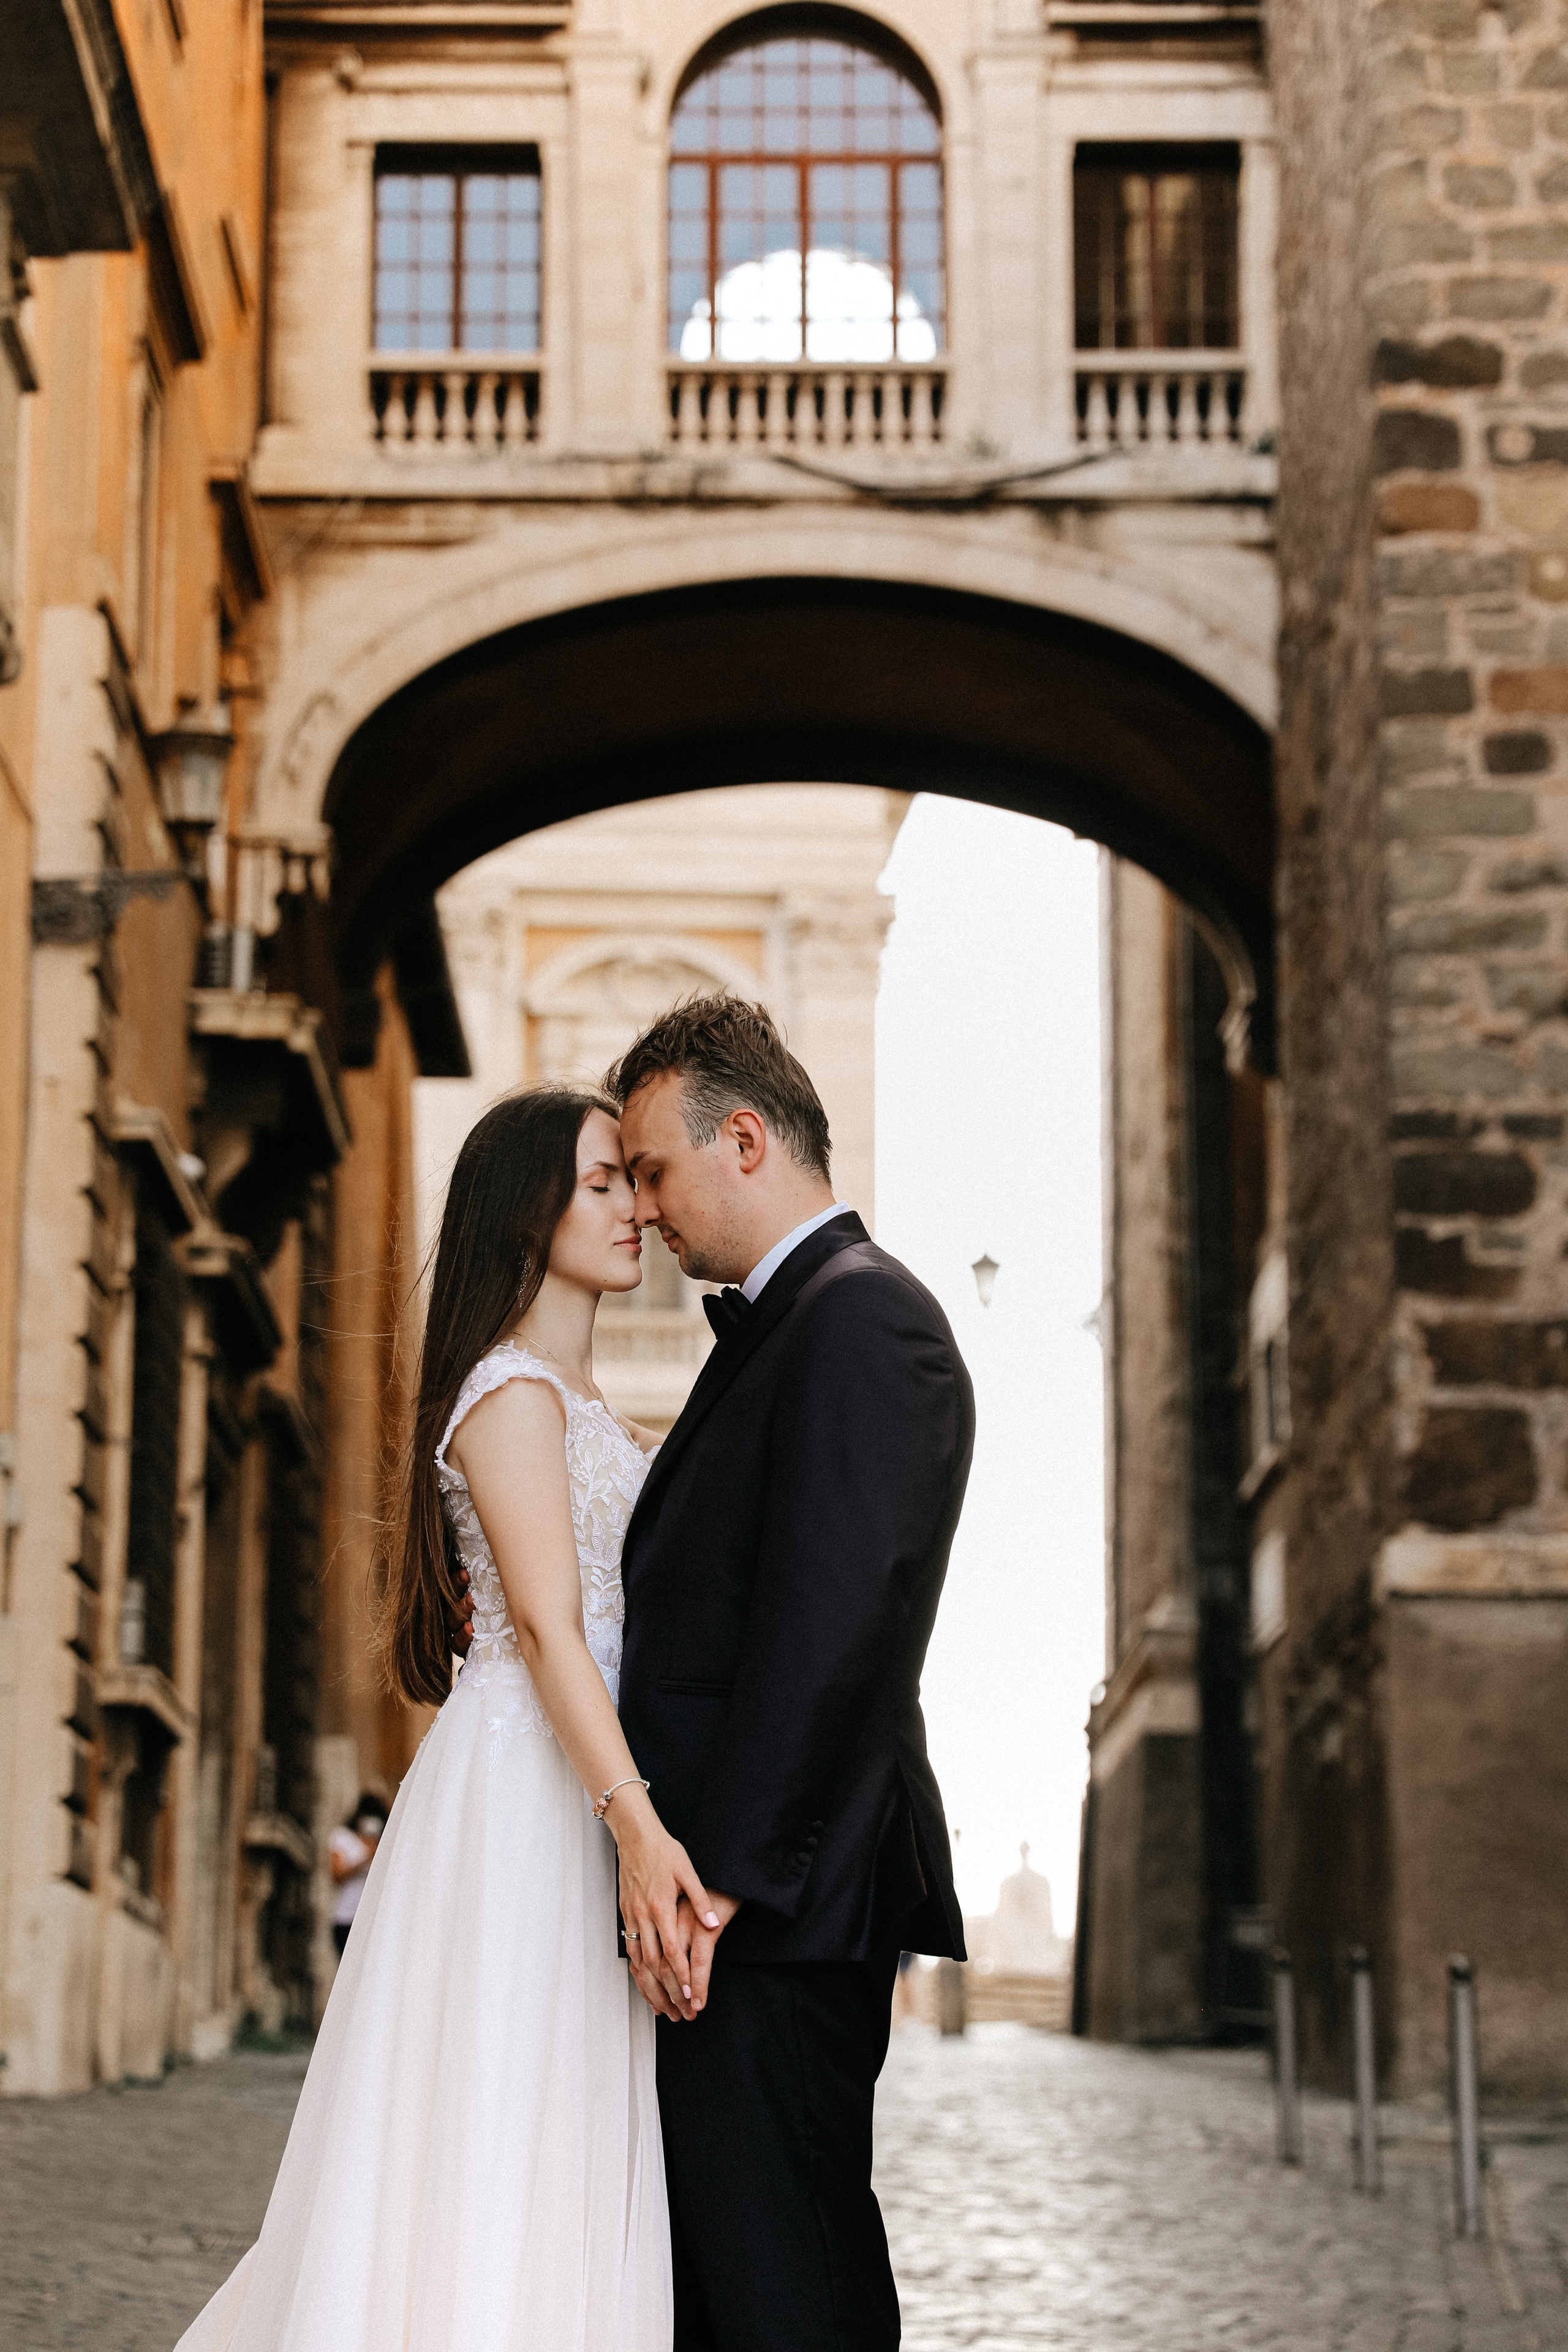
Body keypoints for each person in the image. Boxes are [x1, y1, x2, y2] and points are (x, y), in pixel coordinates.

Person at [173, 1086, 706, 2351]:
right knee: (502, 2111)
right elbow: (541, 1628)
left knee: (561, 2115)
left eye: (630, 1181)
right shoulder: (507, 1392)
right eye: (598, 1183)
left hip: (582, 1784)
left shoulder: (594, 1415)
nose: (632, 1207)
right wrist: (636, 1827)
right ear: (526, 1215)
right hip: (531, 1799)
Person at [607, 994, 974, 2352]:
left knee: (785, 2285)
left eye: (652, 1168)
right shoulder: (789, 1325)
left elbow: (831, 1633)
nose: (641, 1209)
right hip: (736, 1899)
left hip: (771, 1904)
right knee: (728, 2278)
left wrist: (723, 1890)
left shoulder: (864, 1324)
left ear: (744, 1139)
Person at [326, 1792, 388, 1958]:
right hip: (347, 1918)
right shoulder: (343, 1837)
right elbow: (337, 1875)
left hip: (375, 1918)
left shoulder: (385, 1843)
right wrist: (366, 1858)